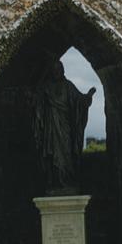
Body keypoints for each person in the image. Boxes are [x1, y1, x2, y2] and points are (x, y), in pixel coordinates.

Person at [33, 61, 96, 195]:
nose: (56, 72)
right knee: (53, 154)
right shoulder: (46, 88)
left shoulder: (68, 86)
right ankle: (55, 182)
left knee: (66, 154)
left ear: (62, 70)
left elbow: (79, 100)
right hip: (51, 129)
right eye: (54, 70)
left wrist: (88, 97)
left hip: (65, 127)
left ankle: (67, 181)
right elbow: (39, 107)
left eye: (58, 69)